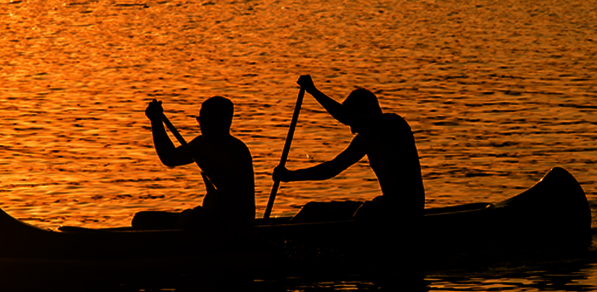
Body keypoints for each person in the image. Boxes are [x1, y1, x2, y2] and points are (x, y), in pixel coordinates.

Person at [273, 75, 424, 221]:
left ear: (363, 114)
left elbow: (346, 116)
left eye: (353, 123)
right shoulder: (364, 140)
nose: (352, 130)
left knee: (365, 212)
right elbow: (332, 168)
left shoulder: (393, 125)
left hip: (407, 210)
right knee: (312, 210)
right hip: (385, 206)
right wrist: (290, 176)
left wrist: (313, 91)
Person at [133, 96, 256, 229]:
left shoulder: (236, 151)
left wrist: (201, 158)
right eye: (200, 121)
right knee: (141, 219)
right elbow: (169, 158)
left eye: (208, 122)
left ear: (224, 122)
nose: (202, 127)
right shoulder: (202, 143)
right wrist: (156, 121)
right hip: (208, 217)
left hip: (234, 222)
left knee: (194, 219)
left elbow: (230, 187)